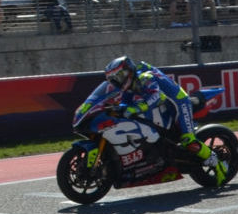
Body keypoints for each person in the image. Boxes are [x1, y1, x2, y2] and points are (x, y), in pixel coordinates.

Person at [80, 56, 225, 185]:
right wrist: (115, 108)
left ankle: (216, 162)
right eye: (113, 79)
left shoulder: (145, 77)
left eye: (119, 76)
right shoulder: (129, 86)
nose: (117, 81)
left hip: (179, 103)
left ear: (128, 71)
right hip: (164, 107)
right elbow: (126, 103)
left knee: (188, 139)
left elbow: (157, 97)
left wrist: (134, 109)